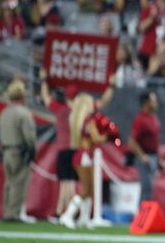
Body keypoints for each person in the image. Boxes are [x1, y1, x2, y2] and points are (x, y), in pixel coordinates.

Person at [39, 70, 115, 220]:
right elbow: (104, 101)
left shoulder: (62, 110)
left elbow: (46, 98)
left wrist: (44, 81)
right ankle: (67, 213)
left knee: (66, 183)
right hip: (80, 151)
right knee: (80, 187)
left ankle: (64, 211)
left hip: (65, 150)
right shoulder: (85, 114)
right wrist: (111, 85)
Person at [59, 93, 106, 229]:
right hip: (84, 156)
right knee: (86, 189)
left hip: (82, 155)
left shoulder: (79, 120)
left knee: (89, 190)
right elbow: (96, 138)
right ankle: (67, 215)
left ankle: (84, 219)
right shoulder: (88, 121)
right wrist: (108, 135)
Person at [0, 79, 37, 223]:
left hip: (5, 151)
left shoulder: (4, 113)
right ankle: (13, 214)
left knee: (8, 183)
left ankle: (6, 211)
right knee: (19, 183)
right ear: (22, 96)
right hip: (19, 151)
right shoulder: (23, 113)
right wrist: (33, 151)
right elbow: (29, 136)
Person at [127, 91, 161, 202]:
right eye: (153, 100)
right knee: (146, 187)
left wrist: (159, 158)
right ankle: (142, 214)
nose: (156, 102)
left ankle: (146, 214)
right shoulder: (140, 120)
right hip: (145, 156)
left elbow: (155, 140)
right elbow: (131, 141)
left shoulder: (153, 117)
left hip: (153, 156)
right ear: (146, 102)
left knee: (150, 188)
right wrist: (142, 156)